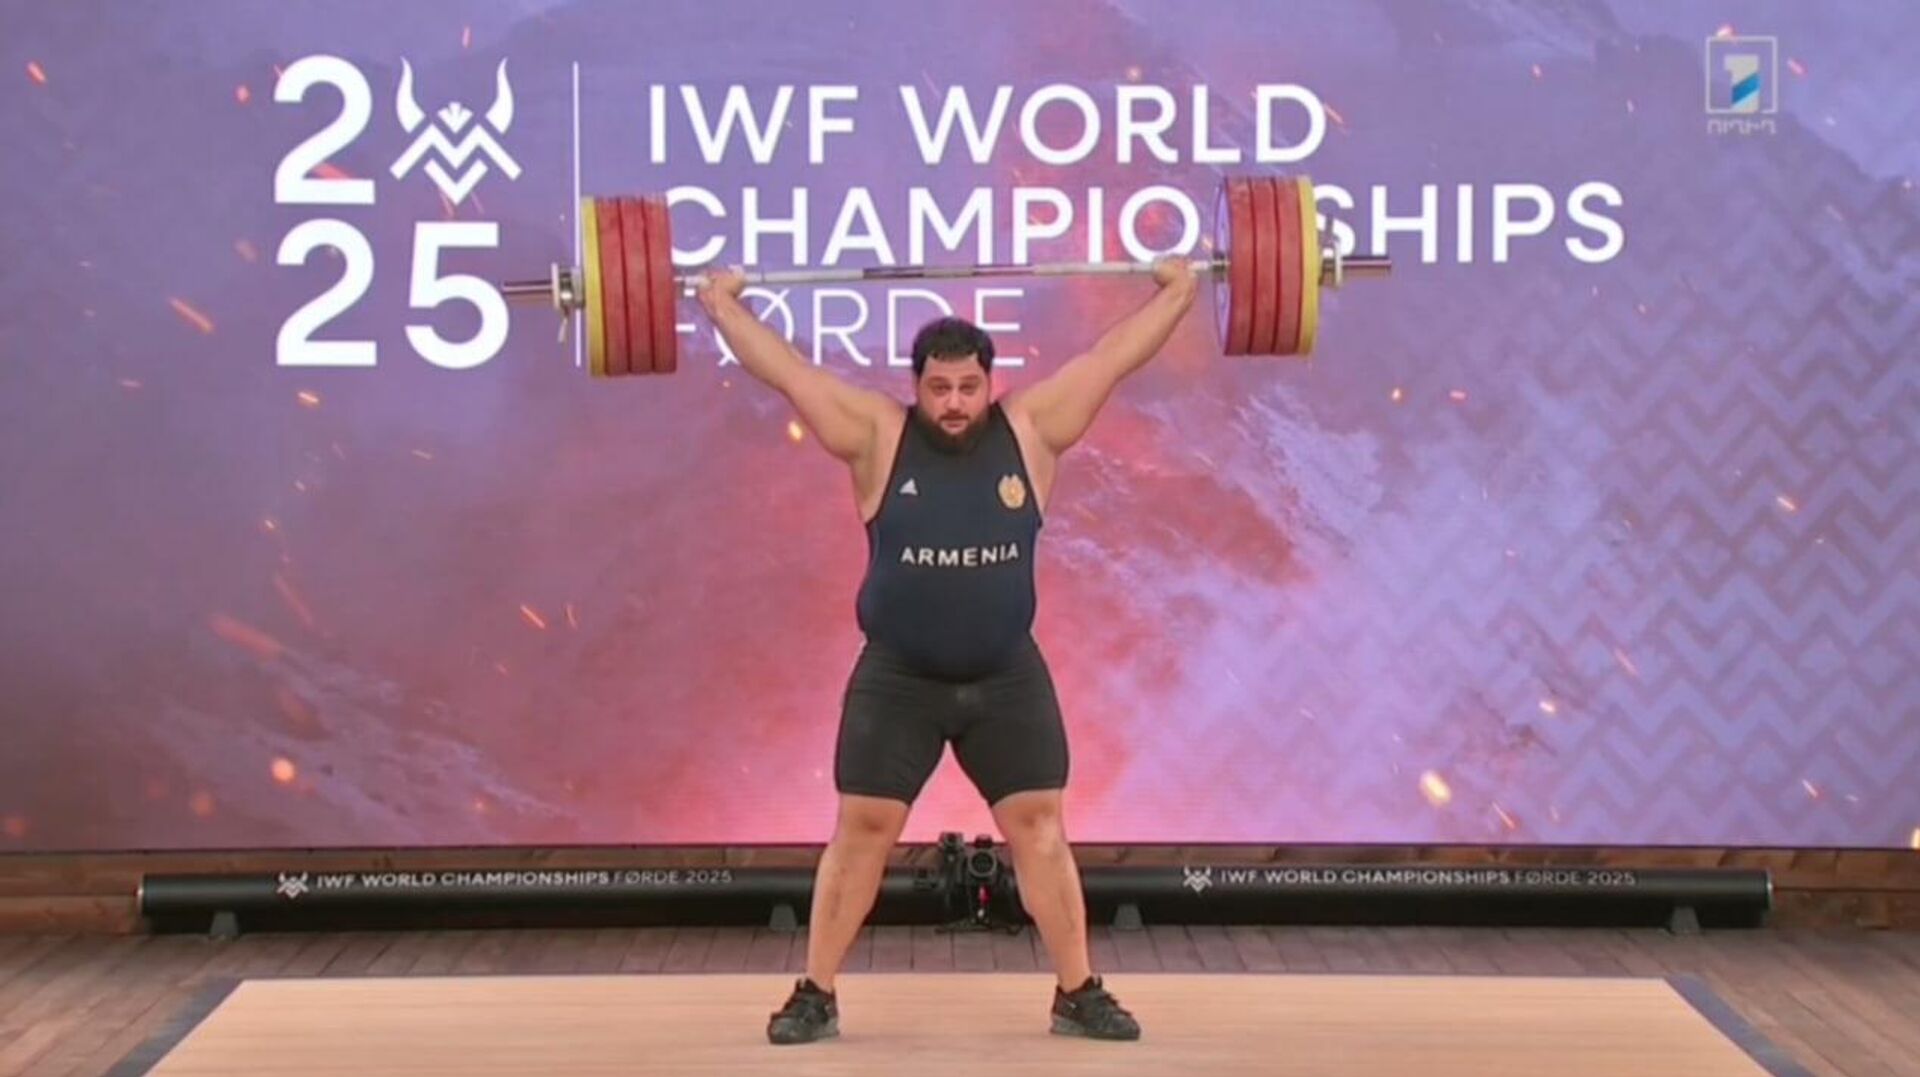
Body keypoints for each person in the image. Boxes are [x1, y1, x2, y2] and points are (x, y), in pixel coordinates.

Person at [693, 257, 1198, 1044]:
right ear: (917, 385)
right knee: (862, 828)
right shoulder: (877, 435)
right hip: (900, 676)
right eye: (939, 388)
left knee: (1041, 828)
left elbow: (1113, 357)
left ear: (990, 383)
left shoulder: (1031, 430)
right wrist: (722, 305)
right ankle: (814, 993)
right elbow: (789, 372)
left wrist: (1181, 292)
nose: (954, 403)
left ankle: (1078, 990)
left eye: (968, 387)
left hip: (1005, 674)